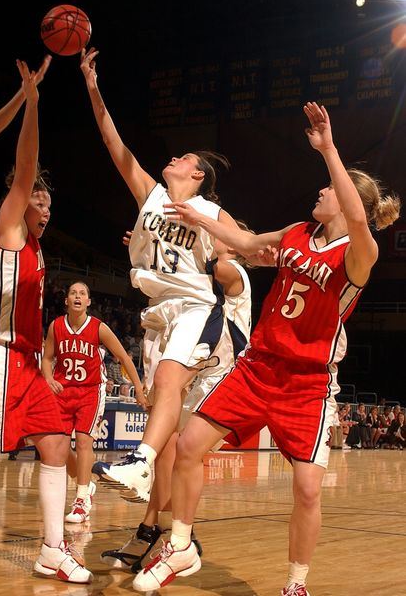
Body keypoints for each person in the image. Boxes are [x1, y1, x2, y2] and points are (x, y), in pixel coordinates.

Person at [131, 102, 401, 595]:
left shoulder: (359, 252)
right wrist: (201, 220)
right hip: (257, 367)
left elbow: (359, 218)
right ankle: (181, 546)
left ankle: (296, 584)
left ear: (344, 200)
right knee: (189, 447)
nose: (319, 191)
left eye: (329, 191)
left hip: (305, 382)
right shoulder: (298, 233)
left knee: (307, 487)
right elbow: (249, 242)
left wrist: (329, 149)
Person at [80, 46, 244, 501]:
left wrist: (217, 246)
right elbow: (115, 145)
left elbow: (249, 252)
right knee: (162, 408)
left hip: (197, 307)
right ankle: (159, 516)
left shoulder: (212, 211)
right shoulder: (150, 195)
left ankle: (139, 460)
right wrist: (93, 88)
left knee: (170, 383)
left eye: (185, 158)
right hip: (157, 311)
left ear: (198, 176)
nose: (175, 158)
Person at [0, 60, 92, 584]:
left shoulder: (36, 250)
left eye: (47, 199)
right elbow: (25, 165)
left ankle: (52, 549)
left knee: (57, 442)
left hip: (25, 365)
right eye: (37, 197)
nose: (44, 204)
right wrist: (33, 101)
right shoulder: (9, 229)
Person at [100, 228, 254, 571]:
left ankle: (174, 536)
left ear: (238, 247)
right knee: (166, 453)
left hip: (218, 379)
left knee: (178, 455)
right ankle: (158, 531)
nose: (214, 235)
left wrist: (163, 249)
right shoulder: (202, 277)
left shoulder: (233, 271)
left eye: (223, 234)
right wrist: (155, 247)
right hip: (196, 367)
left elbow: (203, 268)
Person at [41, 281, 144, 524]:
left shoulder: (99, 328)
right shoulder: (56, 326)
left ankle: (81, 499)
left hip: (90, 391)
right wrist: (47, 378)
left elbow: (123, 358)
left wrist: (139, 388)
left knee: (85, 442)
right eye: (73, 292)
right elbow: (47, 358)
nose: (77, 296)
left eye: (83, 293)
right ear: (66, 300)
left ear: (88, 302)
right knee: (59, 447)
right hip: (62, 390)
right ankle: (86, 484)